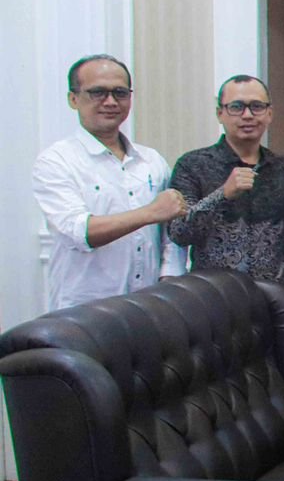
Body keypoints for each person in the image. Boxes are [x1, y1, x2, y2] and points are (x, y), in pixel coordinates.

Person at [32, 55, 187, 311]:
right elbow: (80, 232)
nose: (111, 102)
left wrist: (169, 283)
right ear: (73, 99)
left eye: (120, 93)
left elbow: (171, 232)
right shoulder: (56, 161)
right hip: (84, 311)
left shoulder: (151, 160)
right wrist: (149, 213)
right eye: (98, 92)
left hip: (149, 306)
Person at [169, 75, 284, 308]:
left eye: (256, 106)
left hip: (274, 303)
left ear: (269, 113)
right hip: (211, 304)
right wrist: (222, 194)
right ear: (220, 113)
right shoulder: (192, 165)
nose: (248, 115)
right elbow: (180, 233)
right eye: (236, 107)